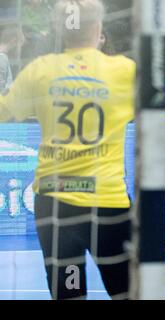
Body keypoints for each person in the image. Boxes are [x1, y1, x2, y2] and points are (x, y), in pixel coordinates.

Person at [0, 0, 133, 299]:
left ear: (58, 30)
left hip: (55, 203)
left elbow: (2, 111)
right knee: (127, 291)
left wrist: (2, 53)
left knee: (69, 292)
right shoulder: (122, 70)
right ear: (98, 29)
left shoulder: (40, 70)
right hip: (106, 201)